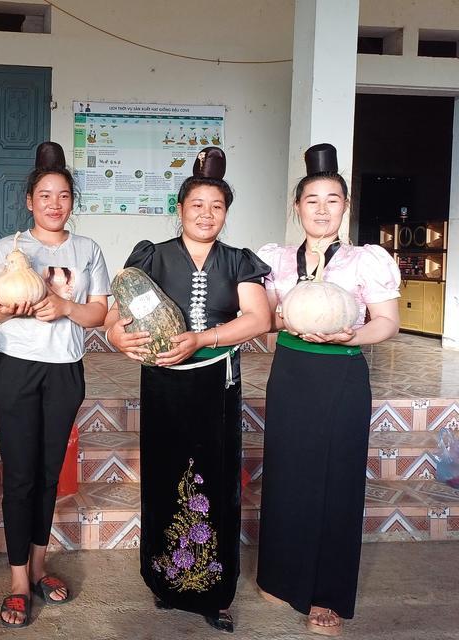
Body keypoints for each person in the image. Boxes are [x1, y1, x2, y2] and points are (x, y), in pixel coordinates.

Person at [105, 147, 270, 633]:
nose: (206, 214)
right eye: (196, 204)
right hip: (163, 383)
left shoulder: (239, 261)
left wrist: (202, 338)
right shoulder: (151, 257)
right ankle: (166, 582)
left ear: (226, 213)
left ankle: (214, 594)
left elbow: (258, 320)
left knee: (216, 480)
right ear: (179, 209)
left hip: (216, 383)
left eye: (216, 206)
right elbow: (118, 316)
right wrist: (117, 335)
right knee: (163, 476)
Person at [256, 143, 400, 637]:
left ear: (345, 206)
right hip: (292, 373)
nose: (322, 209)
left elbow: (387, 323)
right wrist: (283, 319)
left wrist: (348, 334)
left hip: (342, 374)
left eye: (332, 199)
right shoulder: (274, 260)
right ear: (297, 208)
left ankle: (327, 595)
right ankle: (281, 576)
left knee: (337, 481)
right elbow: (265, 322)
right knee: (287, 474)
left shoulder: (365, 260)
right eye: (312, 200)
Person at [0, 142, 110, 628]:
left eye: (62, 196)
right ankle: (18, 581)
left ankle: (39, 567)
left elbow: (97, 314)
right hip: (17, 365)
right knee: (19, 475)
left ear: (71, 202)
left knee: (48, 473)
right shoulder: (9, 248)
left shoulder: (87, 250)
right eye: (44, 195)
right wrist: (2, 309)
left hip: (65, 369)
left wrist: (64, 309)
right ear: (29, 201)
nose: (54, 204)